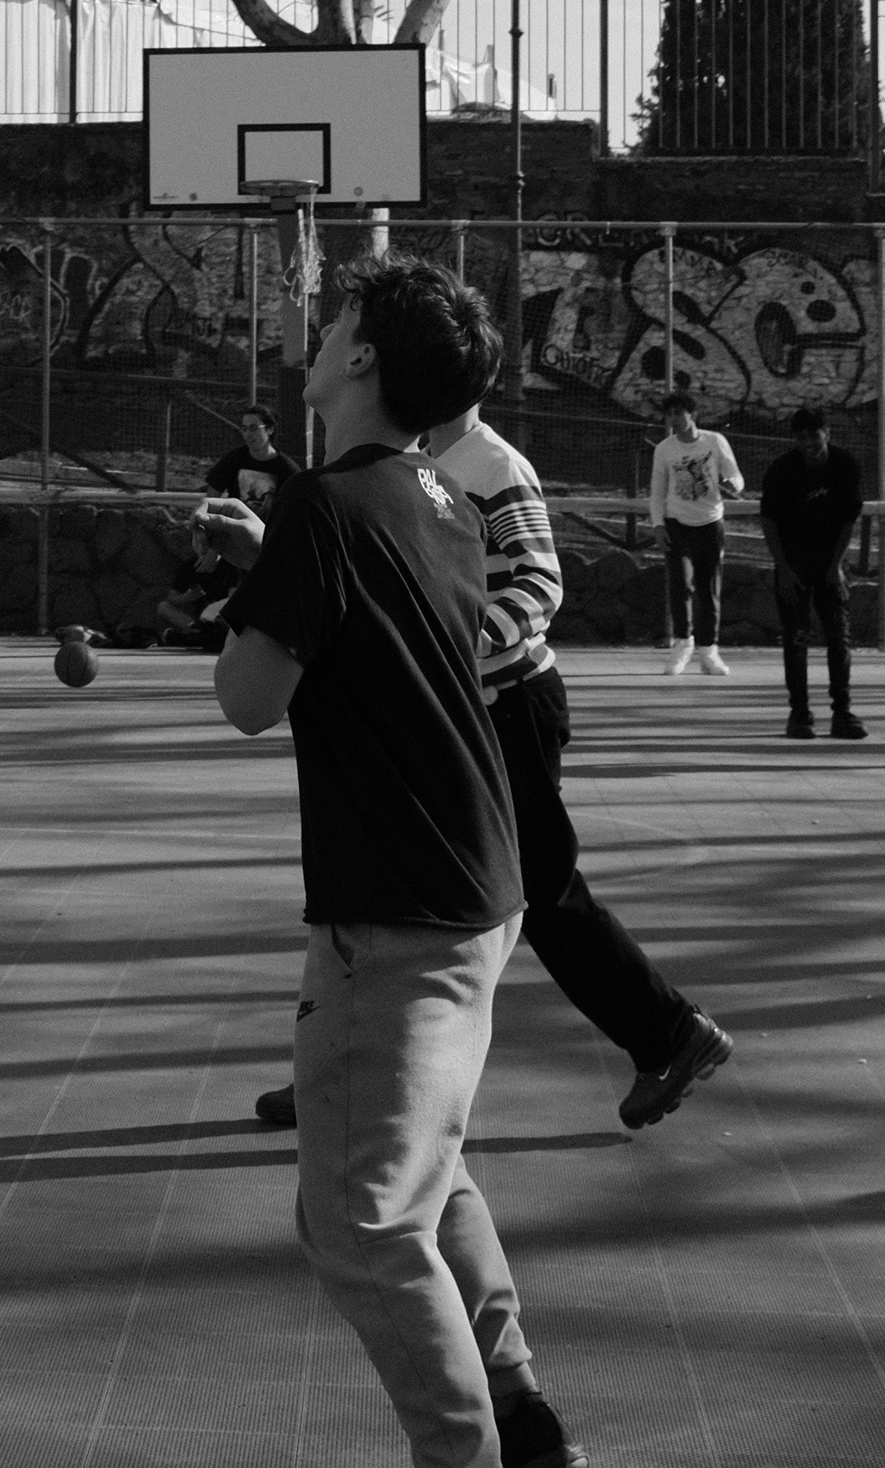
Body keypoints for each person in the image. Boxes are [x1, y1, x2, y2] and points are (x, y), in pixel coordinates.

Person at [209, 254, 576, 1468]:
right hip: (484, 882)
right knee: (428, 1165)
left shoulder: (325, 505)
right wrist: (282, 560)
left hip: (400, 903)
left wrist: (259, 578)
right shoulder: (443, 502)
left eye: (338, 319)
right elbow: (396, 636)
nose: (319, 330)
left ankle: (466, 1452)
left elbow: (251, 697)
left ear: (362, 358)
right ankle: (519, 1412)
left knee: (359, 1221)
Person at [238, 338, 733, 1143]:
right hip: (462, 701)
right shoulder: (421, 462)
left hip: (506, 702)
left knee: (533, 888)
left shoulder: (492, 464)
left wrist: (451, 661)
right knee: (397, 881)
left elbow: (540, 581)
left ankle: (669, 1034)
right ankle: (341, 1065)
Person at [758, 405, 867, 741]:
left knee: (839, 639)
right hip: (794, 561)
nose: (808, 443)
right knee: (796, 639)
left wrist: (837, 566)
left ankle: (842, 712)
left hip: (830, 560)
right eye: (801, 437)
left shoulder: (845, 465)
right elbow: (769, 521)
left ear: (827, 434)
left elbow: (850, 519)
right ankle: (800, 713)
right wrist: (784, 569)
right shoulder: (782, 470)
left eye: (814, 435)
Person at [648, 388, 742, 678]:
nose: (673, 419)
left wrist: (732, 487)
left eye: (679, 413)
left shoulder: (715, 442)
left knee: (708, 588)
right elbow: (656, 492)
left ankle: (708, 651)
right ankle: (682, 646)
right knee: (680, 586)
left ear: (693, 415)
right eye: (669, 414)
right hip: (678, 526)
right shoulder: (664, 449)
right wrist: (658, 525)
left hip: (710, 525)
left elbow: (736, 476)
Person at [209, 406, 300, 511]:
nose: (248, 434)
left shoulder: (287, 469)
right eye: (244, 429)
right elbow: (211, 498)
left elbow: (295, 509)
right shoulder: (233, 459)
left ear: (269, 429)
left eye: (253, 428)